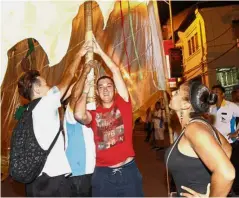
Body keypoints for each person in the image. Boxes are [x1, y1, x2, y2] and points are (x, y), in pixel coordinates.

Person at [17, 41, 91, 197]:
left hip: (35, 184)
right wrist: (79, 54)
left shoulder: (29, 112)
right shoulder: (45, 104)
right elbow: (67, 77)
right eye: (46, 84)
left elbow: (67, 90)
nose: (50, 86)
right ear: (36, 89)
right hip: (52, 184)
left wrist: (84, 76)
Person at [74, 35, 144, 197]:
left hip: (128, 172)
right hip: (103, 176)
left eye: (109, 86)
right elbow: (78, 114)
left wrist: (100, 52)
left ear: (114, 89)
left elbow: (116, 70)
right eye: (101, 87)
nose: (105, 89)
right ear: (97, 92)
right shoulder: (94, 114)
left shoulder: (123, 104)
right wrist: (85, 89)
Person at [165, 81, 235, 197]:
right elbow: (227, 147)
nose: (172, 93)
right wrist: (211, 181)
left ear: (186, 105)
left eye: (177, 92)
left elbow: (227, 173)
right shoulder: (200, 125)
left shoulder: (194, 128)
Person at [64, 61, 97, 197]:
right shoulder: (70, 115)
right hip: (78, 173)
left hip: (91, 172)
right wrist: (84, 73)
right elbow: (75, 96)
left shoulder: (88, 113)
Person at [209, 84, 239, 195]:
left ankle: (232, 191)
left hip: (229, 143)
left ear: (223, 94)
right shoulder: (210, 108)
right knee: (218, 168)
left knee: (230, 168)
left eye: (216, 92)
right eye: (213, 92)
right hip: (215, 143)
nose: (214, 94)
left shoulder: (231, 106)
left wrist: (237, 132)